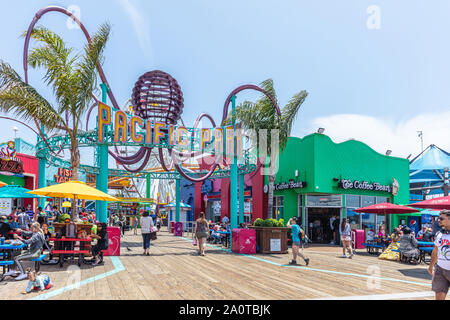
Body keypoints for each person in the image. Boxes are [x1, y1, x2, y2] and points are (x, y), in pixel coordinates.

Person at [428, 210, 450, 300]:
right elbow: (435, 251)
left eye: (441, 218)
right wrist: (431, 266)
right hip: (440, 270)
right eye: (438, 218)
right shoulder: (439, 234)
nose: (438, 220)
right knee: (439, 297)